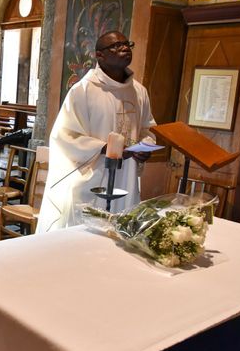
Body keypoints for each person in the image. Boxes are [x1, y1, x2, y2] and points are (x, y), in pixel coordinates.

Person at [36, 31, 156, 233]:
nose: (125, 49)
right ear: (99, 55)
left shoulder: (139, 91)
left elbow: (147, 128)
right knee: (85, 239)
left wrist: (146, 146)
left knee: (122, 235)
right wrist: (102, 147)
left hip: (126, 176)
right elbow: (64, 136)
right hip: (93, 180)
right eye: (116, 46)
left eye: (127, 44)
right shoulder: (83, 91)